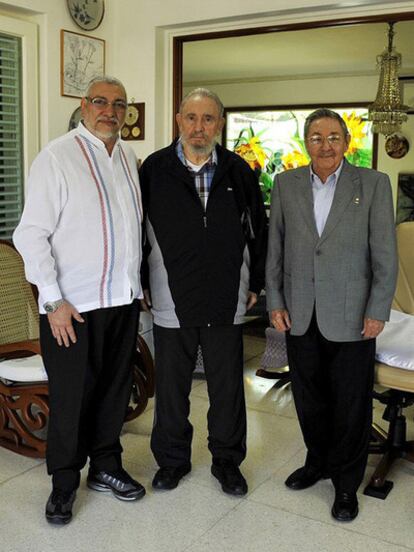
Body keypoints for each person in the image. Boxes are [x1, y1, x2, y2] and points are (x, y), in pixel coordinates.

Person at [13, 76, 146, 525]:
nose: (109, 111)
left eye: (119, 104)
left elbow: (132, 230)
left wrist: (138, 288)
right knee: (72, 398)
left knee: (113, 391)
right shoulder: (57, 156)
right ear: (84, 105)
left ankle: (106, 467)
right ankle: (64, 484)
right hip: (74, 308)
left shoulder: (128, 157)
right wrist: (53, 302)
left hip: (122, 300)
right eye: (100, 102)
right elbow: (30, 235)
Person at [266, 108, 398, 522]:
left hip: (354, 317)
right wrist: (275, 301)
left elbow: (385, 256)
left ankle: (346, 483)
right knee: (309, 398)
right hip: (300, 313)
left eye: (333, 137)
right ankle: (317, 462)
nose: (326, 144)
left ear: (347, 142)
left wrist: (378, 310)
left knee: (351, 404)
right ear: (306, 143)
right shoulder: (285, 183)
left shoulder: (373, 184)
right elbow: (276, 249)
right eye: (317, 137)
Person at [139, 88, 267, 496]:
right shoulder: (154, 169)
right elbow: (137, 231)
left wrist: (258, 283)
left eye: (208, 118)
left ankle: (227, 461)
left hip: (226, 294)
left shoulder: (239, 170)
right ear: (179, 121)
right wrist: (141, 279)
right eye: (191, 118)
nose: (199, 127)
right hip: (170, 293)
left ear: (220, 124)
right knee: (172, 387)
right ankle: (172, 461)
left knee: (227, 387)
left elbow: (257, 231)